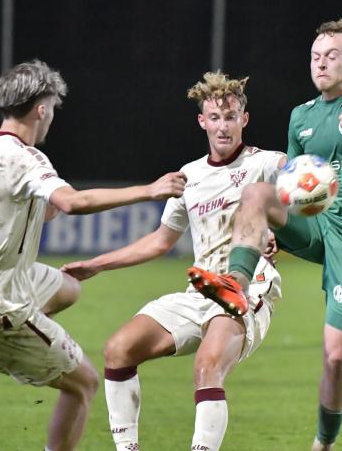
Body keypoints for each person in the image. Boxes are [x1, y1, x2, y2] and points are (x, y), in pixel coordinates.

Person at [186, 20, 342, 451]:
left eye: (331, 56)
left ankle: (324, 442)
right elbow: (292, 185)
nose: (320, 63)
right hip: (319, 223)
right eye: (315, 56)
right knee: (258, 193)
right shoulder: (302, 116)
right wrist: (270, 228)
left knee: (337, 357)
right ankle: (235, 286)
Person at [0, 59, 186, 451]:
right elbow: (72, 203)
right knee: (84, 385)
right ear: (41, 109)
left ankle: (5, 352)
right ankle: (8, 349)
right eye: (52, 108)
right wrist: (149, 190)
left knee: (69, 287)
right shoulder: (26, 158)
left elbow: (29, 205)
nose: (52, 116)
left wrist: (46, 202)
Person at [60, 72, 284, 451]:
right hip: (200, 289)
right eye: (215, 117)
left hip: (247, 287)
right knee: (118, 349)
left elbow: (303, 205)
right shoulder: (190, 177)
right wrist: (97, 264)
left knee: (207, 366)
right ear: (202, 122)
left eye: (231, 116)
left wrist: (280, 233)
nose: (223, 125)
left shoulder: (268, 165)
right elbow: (160, 241)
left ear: (245, 119)